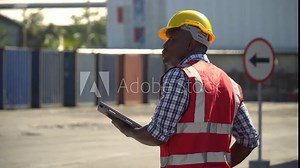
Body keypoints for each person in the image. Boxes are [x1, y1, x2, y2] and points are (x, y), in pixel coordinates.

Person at [108, 9, 259, 167]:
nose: (165, 45)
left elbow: (157, 134)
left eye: (172, 39)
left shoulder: (180, 76)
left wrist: (130, 131)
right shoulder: (231, 85)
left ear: (191, 43)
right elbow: (249, 140)